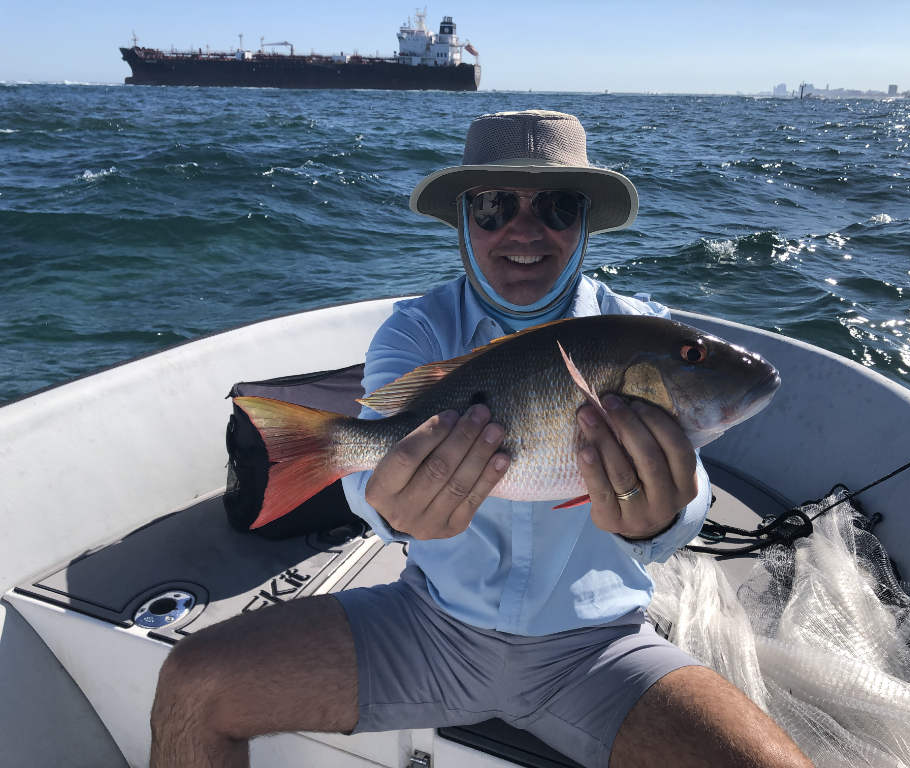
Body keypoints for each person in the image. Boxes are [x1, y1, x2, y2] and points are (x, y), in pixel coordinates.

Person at [150, 110, 811, 768]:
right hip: (429, 629)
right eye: (494, 206)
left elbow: (688, 486)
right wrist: (384, 505)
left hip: (600, 650)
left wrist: (665, 515)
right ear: (464, 221)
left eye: (555, 205)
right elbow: (371, 478)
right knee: (191, 683)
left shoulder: (644, 330)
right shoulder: (415, 331)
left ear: (584, 223)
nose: (524, 229)